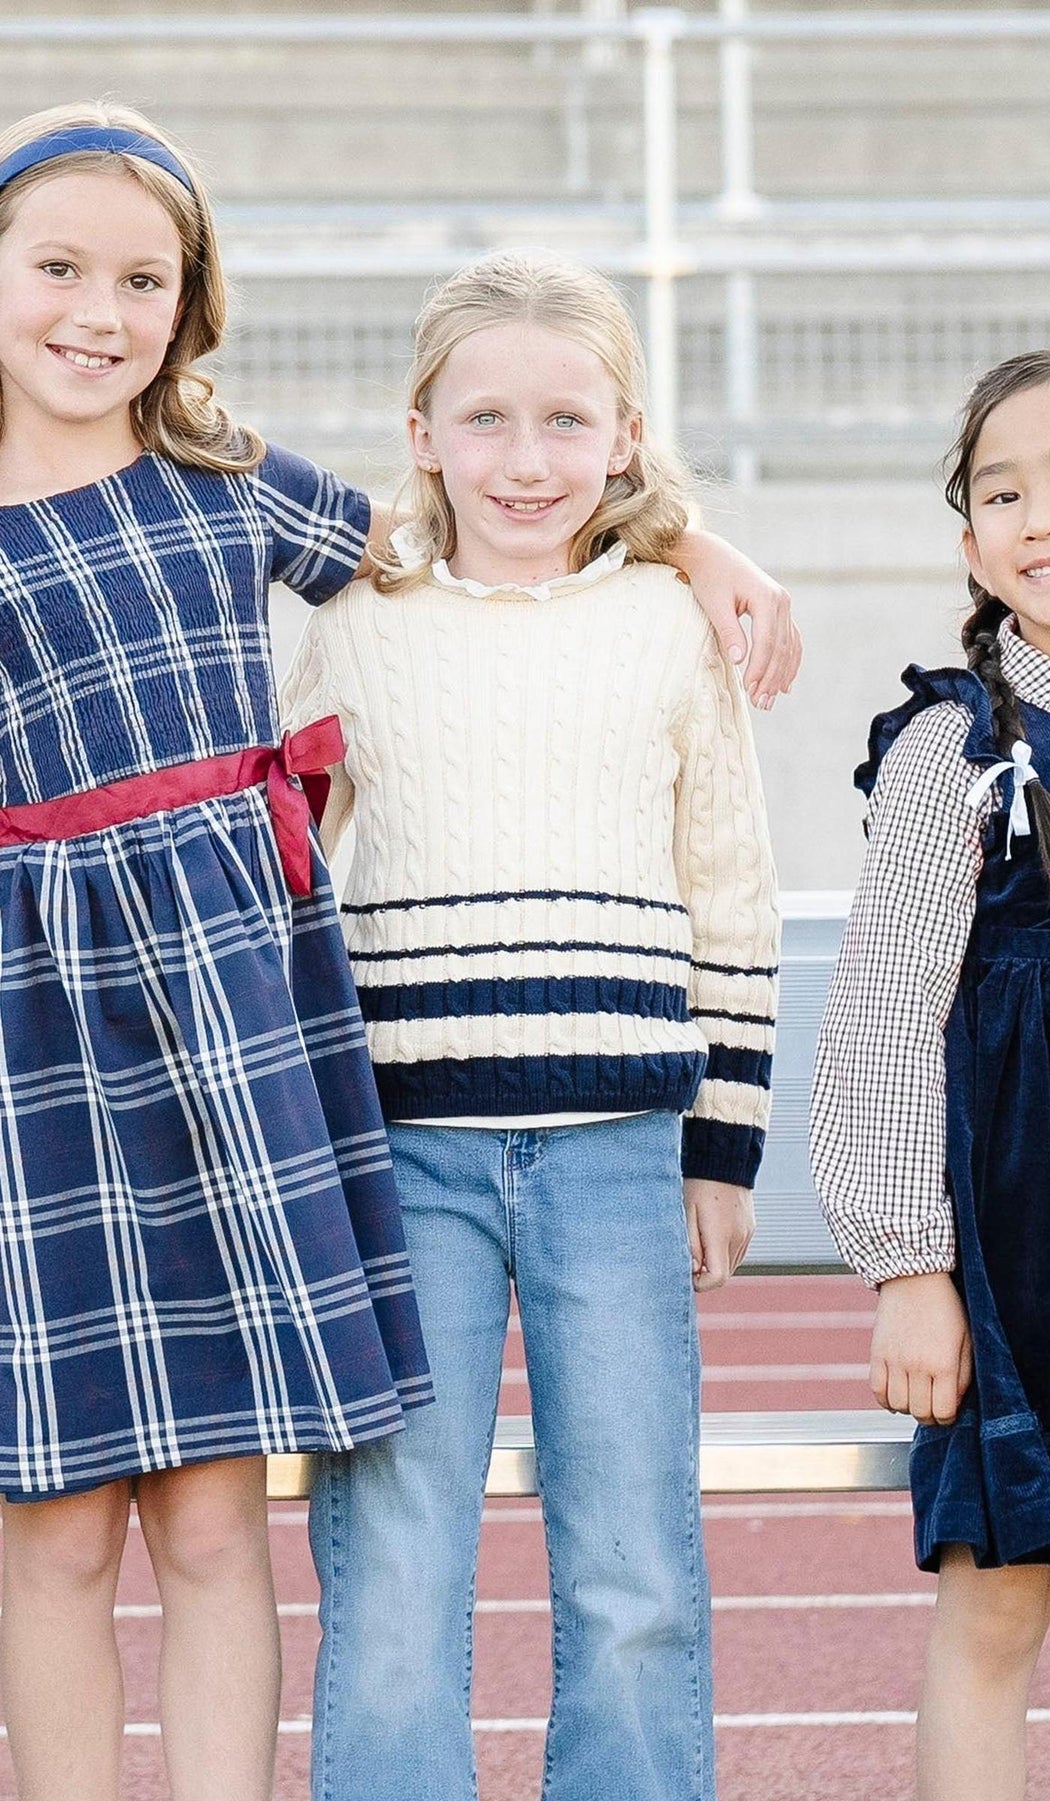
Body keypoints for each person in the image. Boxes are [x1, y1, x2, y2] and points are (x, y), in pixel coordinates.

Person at [0, 101, 796, 1801]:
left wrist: (691, 531)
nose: (98, 307)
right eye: (58, 263)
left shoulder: (634, 617)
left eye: (140, 277)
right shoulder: (325, 589)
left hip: (443, 1104)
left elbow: (715, 864)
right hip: (220, 1094)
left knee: (547, 1546)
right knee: (279, 1541)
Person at [281, 249, 781, 1801]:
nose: (525, 458)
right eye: (483, 417)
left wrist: (724, 1143)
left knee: (632, 1555)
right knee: (397, 1550)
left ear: (626, 436)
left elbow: (730, 883)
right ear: (420, 431)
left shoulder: (666, 624)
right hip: (399, 1151)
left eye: (567, 419)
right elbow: (293, 858)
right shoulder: (360, 617)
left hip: (622, 1155)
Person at [812, 348, 1050, 1801]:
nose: (1039, 514)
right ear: (971, 538)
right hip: (1024, 1252)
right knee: (996, 1595)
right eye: (1002, 490)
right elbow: (883, 1020)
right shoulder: (955, 752)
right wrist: (911, 1265)